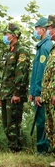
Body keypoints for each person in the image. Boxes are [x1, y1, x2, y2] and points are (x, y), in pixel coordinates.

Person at [0, 23, 30, 152]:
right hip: (6, 94)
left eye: (6, 34)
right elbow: (6, 76)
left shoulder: (22, 51)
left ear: (14, 35)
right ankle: (15, 148)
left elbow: (21, 74)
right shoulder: (9, 52)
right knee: (6, 125)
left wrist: (17, 93)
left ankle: (16, 150)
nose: (5, 36)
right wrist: (1, 95)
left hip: (14, 95)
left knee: (13, 124)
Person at [29, 17, 53, 155]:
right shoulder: (41, 46)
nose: (35, 31)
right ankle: (41, 149)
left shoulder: (46, 47)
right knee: (40, 120)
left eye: (37, 28)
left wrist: (38, 92)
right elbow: (35, 72)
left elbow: (42, 73)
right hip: (38, 91)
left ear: (43, 30)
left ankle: (44, 150)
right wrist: (32, 91)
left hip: (43, 92)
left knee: (42, 121)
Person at [41, 15, 55, 161]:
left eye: (51, 28)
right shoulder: (53, 48)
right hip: (49, 95)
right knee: (51, 126)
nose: (49, 31)